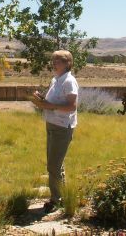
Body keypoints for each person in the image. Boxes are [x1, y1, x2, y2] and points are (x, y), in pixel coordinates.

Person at [31, 50, 79, 213]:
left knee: (53, 165)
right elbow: (54, 102)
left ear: (68, 63)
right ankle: (62, 195)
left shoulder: (69, 81)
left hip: (62, 126)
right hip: (51, 124)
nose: (54, 63)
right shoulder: (56, 80)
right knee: (56, 163)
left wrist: (49, 106)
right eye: (53, 60)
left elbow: (72, 106)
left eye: (58, 61)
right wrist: (42, 100)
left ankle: (55, 199)